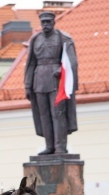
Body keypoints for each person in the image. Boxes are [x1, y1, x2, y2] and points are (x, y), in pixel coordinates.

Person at [24, 10, 78, 155]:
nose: (46, 25)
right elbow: (30, 64)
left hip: (57, 82)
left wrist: (62, 69)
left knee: (58, 114)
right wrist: (28, 85)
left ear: (54, 22)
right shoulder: (36, 40)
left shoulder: (63, 38)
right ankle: (49, 146)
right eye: (43, 22)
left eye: (48, 22)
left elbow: (71, 61)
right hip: (39, 81)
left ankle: (60, 146)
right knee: (44, 116)